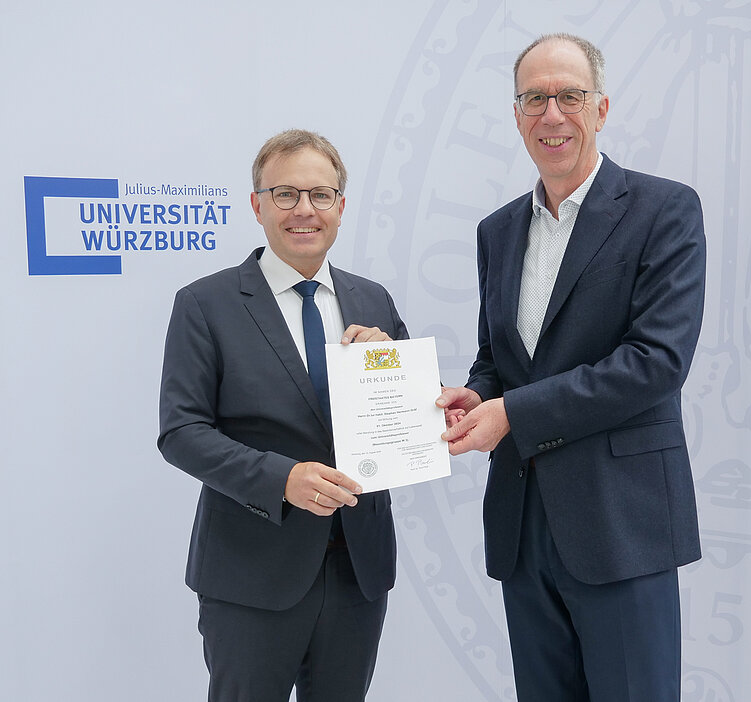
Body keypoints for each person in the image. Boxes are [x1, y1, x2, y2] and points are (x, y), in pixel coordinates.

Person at [436, 34, 706, 701]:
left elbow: (655, 362)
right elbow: (498, 357)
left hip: (621, 524)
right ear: (516, 114)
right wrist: (476, 396)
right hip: (523, 524)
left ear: (600, 108)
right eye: (534, 98)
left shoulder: (664, 210)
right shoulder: (497, 231)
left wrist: (512, 413)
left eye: (569, 96)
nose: (550, 114)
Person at [158, 129, 406, 701]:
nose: (304, 210)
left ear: (340, 206)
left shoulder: (374, 301)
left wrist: (407, 378)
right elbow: (181, 431)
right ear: (257, 205)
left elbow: (409, 416)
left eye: (320, 195)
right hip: (251, 572)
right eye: (285, 194)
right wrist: (281, 479)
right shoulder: (204, 304)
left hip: (357, 570)